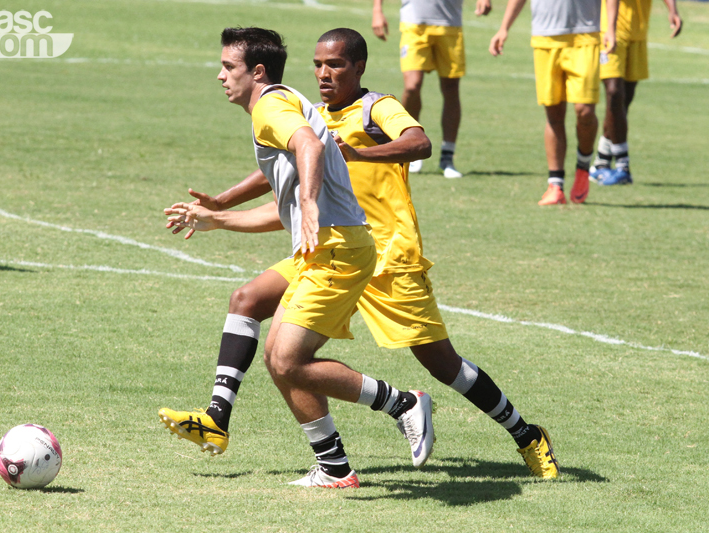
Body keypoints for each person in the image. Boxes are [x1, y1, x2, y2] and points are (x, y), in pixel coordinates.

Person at [161, 28, 560, 481]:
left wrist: (361, 153)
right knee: (249, 303)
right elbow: (281, 188)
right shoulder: (306, 114)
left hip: (388, 256)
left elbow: (420, 143)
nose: (324, 73)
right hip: (329, 248)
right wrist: (223, 203)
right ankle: (255, 432)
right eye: (317, 65)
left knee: (442, 364)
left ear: (359, 67)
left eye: (335, 65)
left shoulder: (376, 108)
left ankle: (527, 435)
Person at [159, 26, 435, 489]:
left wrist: (309, 202)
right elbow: (282, 205)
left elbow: (308, 146)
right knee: (265, 336)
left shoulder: (271, 105)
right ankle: (331, 467)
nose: (221, 76)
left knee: (289, 360)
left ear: (258, 72)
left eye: (229, 67)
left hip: (339, 251)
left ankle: (404, 404)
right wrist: (220, 216)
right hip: (321, 249)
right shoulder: (278, 106)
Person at [489, 0, 618, 205]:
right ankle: (555, 185)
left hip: (585, 35)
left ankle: (583, 169)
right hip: (545, 36)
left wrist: (611, 28)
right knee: (554, 113)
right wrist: (504, 28)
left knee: (584, 112)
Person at [371, 0, 493, 177]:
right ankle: (409, 147)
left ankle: (447, 158)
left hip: (449, 23)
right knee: (412, 86)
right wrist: (377, 10)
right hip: (414, 23)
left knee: (451, 88)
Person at [591, 0, 682, 186]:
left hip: (637, 32)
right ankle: (623, 165)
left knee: (623, 102)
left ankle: (601, 162)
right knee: (614, 93)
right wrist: (610, 28)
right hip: (609, 31)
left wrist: (672, 10)